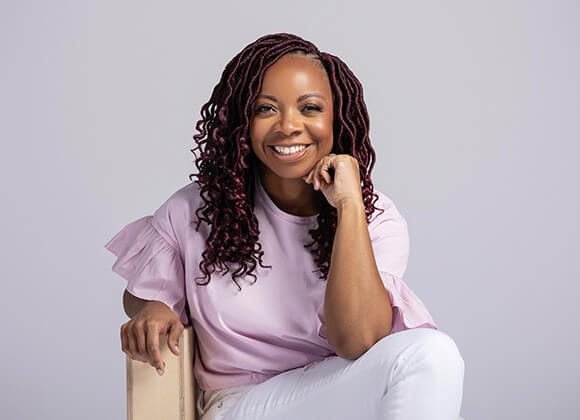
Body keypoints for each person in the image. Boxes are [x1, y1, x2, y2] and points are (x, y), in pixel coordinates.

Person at [105, 33, 465, 420]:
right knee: (430, 356)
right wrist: (154, 308)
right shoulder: (196, 209)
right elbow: (144, 294)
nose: (289, 126)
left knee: (432, 355)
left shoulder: (373, 217)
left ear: (337, 118)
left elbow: (359, 341)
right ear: (243, 121)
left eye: (310, 108)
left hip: (340, 394)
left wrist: (348, 206)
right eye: (266, 109)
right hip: (243, 403)